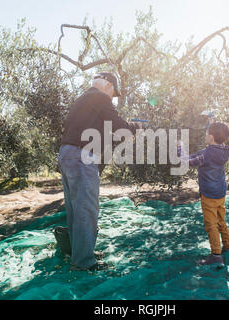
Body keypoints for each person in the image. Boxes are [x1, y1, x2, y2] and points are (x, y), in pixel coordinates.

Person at [57, 72, 139, 271]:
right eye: (114, 93)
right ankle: (84, 262)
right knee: (87, 209)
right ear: (109, 86)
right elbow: (120, 127)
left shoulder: (82, 100)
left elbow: (104, 134)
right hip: (81, 156)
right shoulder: (101, 97)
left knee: (76, 208)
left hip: (66, 154)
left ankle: (80, 252)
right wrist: (135, 128)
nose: (112, 98)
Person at [178, 119, 229, 265]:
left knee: (211, 224)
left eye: (207, 133)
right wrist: (212, 125)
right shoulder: (222, 151)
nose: (205, 135)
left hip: (209, 194)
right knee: (221, 220)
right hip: (221, 192)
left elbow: (187, 162)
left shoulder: (206, 154)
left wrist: (180, 148)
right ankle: (228, 246)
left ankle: (216, 255)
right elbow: (217, 139)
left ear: (212, 137)